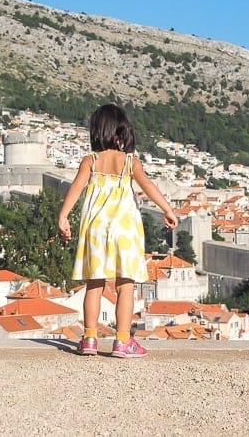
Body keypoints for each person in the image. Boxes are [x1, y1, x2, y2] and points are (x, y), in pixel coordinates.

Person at [58, 103, 178, 358]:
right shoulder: (129, 162)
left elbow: (76, 189)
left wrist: (63, 216)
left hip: (95, 228)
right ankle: (122, 341)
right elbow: (149, 187)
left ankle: (89, 338)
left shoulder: (90, 161)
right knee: (126, 285)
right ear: (119, 134)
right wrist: (167, 209)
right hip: (125, 228)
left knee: (94, 283)